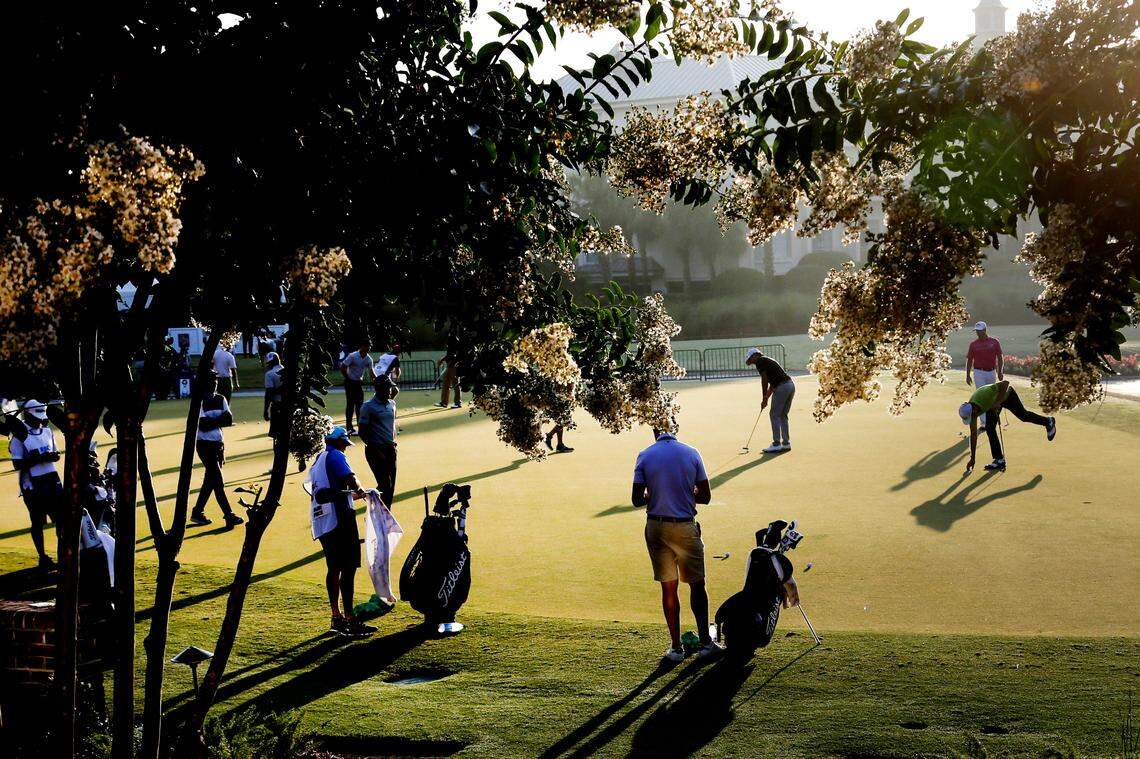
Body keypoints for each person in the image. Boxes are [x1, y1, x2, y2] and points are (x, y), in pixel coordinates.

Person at [632, 427, 721, 661]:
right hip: (684, 526)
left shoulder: (645, 455)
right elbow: (706, 496)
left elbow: (635, 499)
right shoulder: (691, 453)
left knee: (668, 587)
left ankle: (676, 648)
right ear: (676, 429)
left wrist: (653, 495)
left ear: (654, 432)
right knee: (697, 585)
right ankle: (705, 643)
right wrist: (687, 493)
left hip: (656, 527)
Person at [308, 426, 376, 638]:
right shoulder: (336, 456)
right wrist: (360, 488)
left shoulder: (319, 460)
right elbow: (351, 480)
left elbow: (332, 492)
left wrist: (360, 495)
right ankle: (349, 619)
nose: (345, 448)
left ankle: (336, 616)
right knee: (347, 568)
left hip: (323, 520)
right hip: (340, 520)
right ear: (337, 442)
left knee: (334, 567)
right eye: (344, 444)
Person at [7, 400, 61, 567]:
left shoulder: (46, 431)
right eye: (36, 417)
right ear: (28, 415)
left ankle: (64, 553)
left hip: (52, 479)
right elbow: (17, 464)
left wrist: (52, 456)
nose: (40, 420)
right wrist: (36, 459)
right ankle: (43, 557)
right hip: (33, 484)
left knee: (59, 519)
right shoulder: (19, 436)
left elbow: (57, 453)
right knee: (38, 522)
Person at [960, 380, 1056, 472]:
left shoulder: (984, 395)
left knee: (1023, 416)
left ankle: (1048, 421)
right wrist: (972, 458)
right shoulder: (972, 412)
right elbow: (973, 435)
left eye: (971, 416)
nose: (972, 418)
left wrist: (998, 402)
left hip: (1007, 395)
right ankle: (999, 460)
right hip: (992, 404)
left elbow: (1005, 383)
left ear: (974, 410)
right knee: (989, 428)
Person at [190, 375, 244, 527]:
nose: (214, 383)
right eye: (211, 381)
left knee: (210, 481)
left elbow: (229, 420)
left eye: (215, 381)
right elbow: (203, 425)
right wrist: (219, 419)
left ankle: (197, 512)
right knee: (218, 482)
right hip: (204, 445)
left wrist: (213, 421)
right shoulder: (199, 401)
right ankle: (229, 515)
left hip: (218, 445)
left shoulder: (221, 398)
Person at [744, 347, 795, 454]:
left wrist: (763, 397)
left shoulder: (760, 361)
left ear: (755, 355)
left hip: (782, 387)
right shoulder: (768, 361)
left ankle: (776, 444)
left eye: (751, 359)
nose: (751, 362)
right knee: (783, 415)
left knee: (774, 414)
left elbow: (765, 379)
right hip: (790, 385)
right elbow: (772, 384)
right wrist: (766, 398)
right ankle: (786, 443)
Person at [359, 374, 399, 507]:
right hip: (375, 450)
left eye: (390, 388)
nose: (389, 391)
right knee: (384, 484)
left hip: (391, 449)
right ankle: (378, 512)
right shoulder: (368, 406)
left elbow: (391, 426)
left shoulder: (392, 404)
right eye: (387, 388)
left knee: (391, 486)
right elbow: (362, 433)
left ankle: (386, 514)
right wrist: (376, 451)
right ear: (378, 389)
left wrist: (394, 444)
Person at [339, 339, 374, 436]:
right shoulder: (352, 356)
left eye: (369, 346)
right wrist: (347, 378)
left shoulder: (368, 359)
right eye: (366, 346)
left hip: (358, 383)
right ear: (361, 346)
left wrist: (376, 380)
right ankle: (349, 427)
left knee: (360, 405)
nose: (368, 348)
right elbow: (343, 366)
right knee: (350, 404)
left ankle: (360, 426)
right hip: (349, 382)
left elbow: (371, 372)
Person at [263, 352, 285, 440]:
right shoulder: (288, 371)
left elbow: (269, 393)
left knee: (276, 434)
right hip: (289, 405)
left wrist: (265, 410)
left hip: (277, 406)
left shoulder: (269, 374)